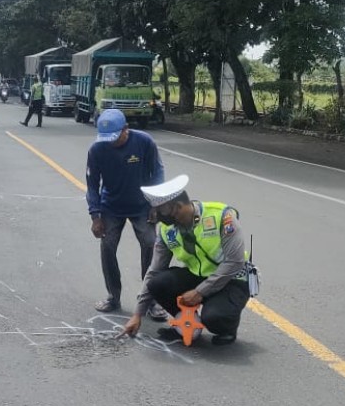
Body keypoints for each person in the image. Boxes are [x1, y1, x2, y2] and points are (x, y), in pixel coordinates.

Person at [119, 174, 251, 346]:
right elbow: (155, 270)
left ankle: (227, 329)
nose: (157, 217)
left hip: (232, 279)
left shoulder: (221, 217)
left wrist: (200, 292)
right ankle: (187, 321)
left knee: (215, 317)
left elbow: (235, 262)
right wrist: (137, 314)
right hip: (199, 275)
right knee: (157, 283)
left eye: (160, 212)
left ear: (177, 207)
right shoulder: (167, 231)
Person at [87, 109, 169, 320]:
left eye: (115, 137)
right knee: (107, 247)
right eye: (107, 139)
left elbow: (157, 173)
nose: (111, 143)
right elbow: (92, 185)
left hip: (142, 206)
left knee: (151, 245)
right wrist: (95, 216)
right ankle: (113, 296)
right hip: (111, 207)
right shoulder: (97, 149)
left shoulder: (144, 142)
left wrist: (156, 204)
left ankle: (150, 300)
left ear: (126, 129)